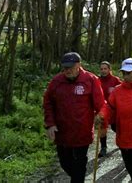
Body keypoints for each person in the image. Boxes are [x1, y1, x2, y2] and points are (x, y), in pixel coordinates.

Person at [43, 52, 105, 183]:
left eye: (70, 67)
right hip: (62, 133)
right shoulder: (56, 81)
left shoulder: (91, 80)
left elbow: (100, 104)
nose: (67, 70)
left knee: (79, 165)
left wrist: (101, 115)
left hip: (82, 133)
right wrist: (50, 123)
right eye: (65, 67)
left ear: (79, 65)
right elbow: (48, 102)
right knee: (65, 163)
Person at [97, 61, 121, 157]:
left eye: (105, 68)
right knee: (102, 129)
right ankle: (103, 147)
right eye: (101, 69)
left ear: (109, 69)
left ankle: (122, 141)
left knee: (116, 128)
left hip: (114, 109)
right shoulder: (97, 80)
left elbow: (123, 90)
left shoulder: (115, 80)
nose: (103, 71)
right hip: (102, 109)